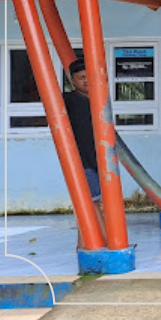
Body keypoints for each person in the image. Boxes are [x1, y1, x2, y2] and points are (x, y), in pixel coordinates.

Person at [62, 59, 104, 249]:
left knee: (93, 204)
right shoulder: (68, 100)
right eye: (82, 78)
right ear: (73, 81)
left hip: (98, 161)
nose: (86, 81)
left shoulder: (98, 100)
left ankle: (83, 245)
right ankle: (104, 242)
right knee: (91, 203)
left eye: (89, 77)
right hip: (83, 161)